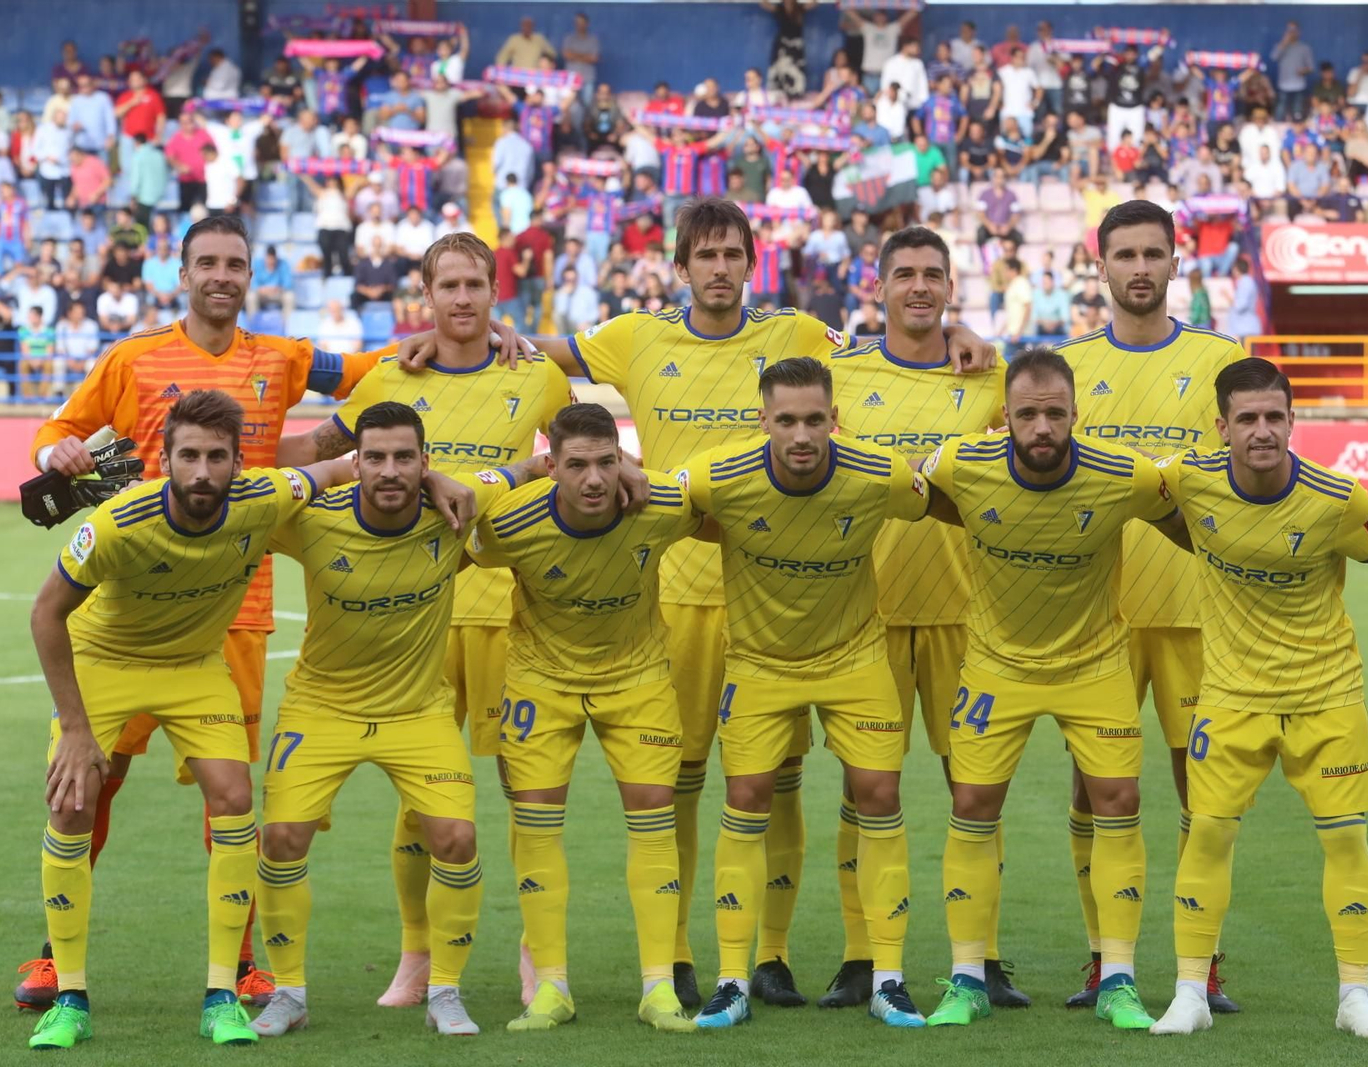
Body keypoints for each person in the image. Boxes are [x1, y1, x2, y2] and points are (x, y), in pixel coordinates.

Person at [396, 197, 997, 1011]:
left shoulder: (794, 335)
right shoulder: (638, 336)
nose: (719, 268)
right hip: (670, 591)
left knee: (775, 780)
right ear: (681, 267)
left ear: (751, 264)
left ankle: (772, 956)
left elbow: (885, 343)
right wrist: (447, 336)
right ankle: (673, 955)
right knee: (675, 780)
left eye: (732, 255)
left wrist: (960, 334)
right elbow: (535, 346)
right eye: (704, 255)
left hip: (773, 592)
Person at [14, 215, 429, 1014]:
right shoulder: (132, 358)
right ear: (183, 272)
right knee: (93, 779)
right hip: (131, 605)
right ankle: (52, 957)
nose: (221, 275)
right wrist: (52, 454)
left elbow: (367, 373)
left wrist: (437, 339)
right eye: (207, 262)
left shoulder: (283, 356)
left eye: (234, 263)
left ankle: (239, 964)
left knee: (228, 794)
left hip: (238, 606)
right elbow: (57, 429)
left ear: (249, 273)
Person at [275, 230, 577, 1009]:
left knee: (527, 786)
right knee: (423, 796)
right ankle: (418, 955)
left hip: (517, 613)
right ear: (428, 294)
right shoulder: (388, 375)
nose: (463, 299)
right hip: (416, 621)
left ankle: (535, 952)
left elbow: (573, 455)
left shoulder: (536, 375)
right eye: (449, 286)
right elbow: (319, 448)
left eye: (476, 284)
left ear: (493, 292)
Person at [21, 389, 356, 1050]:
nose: (203, 471)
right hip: (106, 660)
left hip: (195, 665)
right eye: (190, 456)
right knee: (70, 804)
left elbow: (341, 466)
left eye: (217, 457)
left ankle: (221, 993)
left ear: (238, 461)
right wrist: (77, 730)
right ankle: (70, 996)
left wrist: (430, 473)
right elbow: (45, 613)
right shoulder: (120, 521)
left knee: (234, 799)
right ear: (165, 459)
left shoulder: (264, 495)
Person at [918, 346, 1192, 1030]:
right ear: (1003, 416)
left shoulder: (1124, 475)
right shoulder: (961, 463)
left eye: (1056, 413)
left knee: (1119, 798)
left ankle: (1119, 979)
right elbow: (914, 495)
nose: (1042, 426)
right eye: (1028, 413)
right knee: (973, 800)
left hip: (1094, 662)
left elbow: (1188, 525)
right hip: (994, 664)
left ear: (1077, 413)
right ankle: (965, 977)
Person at [1148, 358, 1368, 1040]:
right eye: (1247, 418)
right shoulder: (1187, 480)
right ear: (1222, 427)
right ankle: (1189, 992)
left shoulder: (1338, 497)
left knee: (1347, 839)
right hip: (1231, 696)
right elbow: (1129, 498)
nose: (1262, 431)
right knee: (1206, 833)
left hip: (1326, 694)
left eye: (1275, 417)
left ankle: (1355, 995)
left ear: (1293, 421)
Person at [247, 401, 534, 1040]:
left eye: (405, 457)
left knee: (456, 839)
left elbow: (532, 468)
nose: (389, 470)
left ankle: (446, 992)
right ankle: (288, 992)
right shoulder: (311, 520)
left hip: (418, 711)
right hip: (321, 707)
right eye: (374, 457)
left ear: (426, 462)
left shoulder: (455, 511)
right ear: (356, 461)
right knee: (282, 840)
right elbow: (240, 495)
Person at [674, 356, 934, 1030]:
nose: (801, 434)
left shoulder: (879, 473)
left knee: (879, 793)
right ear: (762, 421)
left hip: (855, 657)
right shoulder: (715, 476)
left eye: (814, 419)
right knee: (746, 796)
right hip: (759, 664)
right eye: (785, 419)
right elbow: (652, 504)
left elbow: (943, 498)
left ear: (834, 420)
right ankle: (733, 977)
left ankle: (888, 975)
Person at [1056, 200, 1247, 1010]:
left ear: (1176, 264)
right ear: (1098, 265)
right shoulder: (1063, 364)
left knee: (1203, 788)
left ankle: (1202, 962)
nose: (1139, 267)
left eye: (1153, 254)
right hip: (1093, 613)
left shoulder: (1220, 358)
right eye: (1123, 254)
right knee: (1091, 789)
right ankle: (1106, 956)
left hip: (1197, 612)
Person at [824, 227, 1015, 1010]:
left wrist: (976, 343)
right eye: (904, 273)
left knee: (975, 787)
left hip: (965, 615)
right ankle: (861, 955)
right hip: (861, 615)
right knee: (864, 789)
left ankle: (984, 958)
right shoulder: (840, 372)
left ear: (951, 286)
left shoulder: (990, 377)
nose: (919, 286)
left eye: (934, 274)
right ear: (879, 286)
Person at [467, 403, 703, 1033]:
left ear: (621, 461)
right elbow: (452, 529)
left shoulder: (661, 507)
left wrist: (644, 470)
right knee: (536, 823)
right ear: (553, 467)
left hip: (638, 676)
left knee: (656, 815)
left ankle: (658, 989)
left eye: (607, 462)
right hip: (541, 682)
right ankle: (552, 988)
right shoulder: (509, 526)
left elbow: (717, 495)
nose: (594, 480)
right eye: (577, 466)